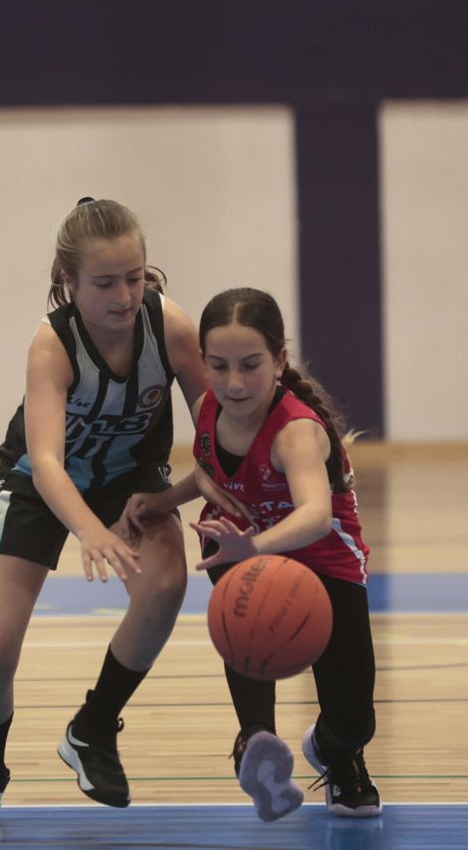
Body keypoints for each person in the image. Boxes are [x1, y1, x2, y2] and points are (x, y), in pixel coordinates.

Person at [0, 198, 209, 830]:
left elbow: (218, 434)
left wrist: (185, 499)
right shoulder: (53, 345)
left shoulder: (171, 328)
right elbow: (48, 460)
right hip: (37, 482)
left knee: (166, 584)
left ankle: (93, 727)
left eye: (135, 277)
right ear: (69, 284)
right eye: (105, 283)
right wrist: (87, 529)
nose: (124, 296)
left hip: (130, 479)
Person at [121, 287, 380, 822]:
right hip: (245, 545)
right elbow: (214, 473)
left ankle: (336, 749)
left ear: (280, 360)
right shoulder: (211, 409)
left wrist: (254, 545)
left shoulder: (297, 431)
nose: (233, 382)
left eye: (250, 365)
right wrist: (163, 500)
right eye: (218, 365)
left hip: (323, 556)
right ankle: (256, 743)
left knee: (356, 718)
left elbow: (313, 513)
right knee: (248, 604)